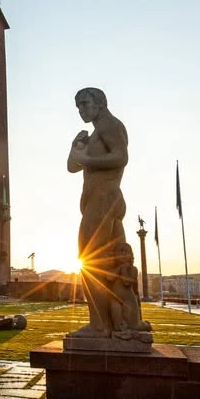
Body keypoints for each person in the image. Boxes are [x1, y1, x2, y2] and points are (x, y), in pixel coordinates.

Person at [67, 87, 129, 337]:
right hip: (98, 200)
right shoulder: (94, 133)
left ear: (100, 103)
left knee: (89, 257)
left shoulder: (109, 125)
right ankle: (117, 322)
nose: (81, 109)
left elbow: (121, 156)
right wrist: (76, 147)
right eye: (78, 106)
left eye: (85, 103)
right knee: (111, 261)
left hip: (104, 198)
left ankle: (99, 325)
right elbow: (72, 167)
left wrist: (87, 160)